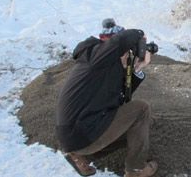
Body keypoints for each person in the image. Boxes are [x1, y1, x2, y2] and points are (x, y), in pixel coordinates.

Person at [55, 18, 158, 177]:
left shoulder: (102, 67)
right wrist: (140, 36)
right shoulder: (95, 56)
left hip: (74, 134)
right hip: (81, 131)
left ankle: (81, 157)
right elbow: (121, 40)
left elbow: (122, 101)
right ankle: (135, 170)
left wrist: (137, 68)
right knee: (142, 109)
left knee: (137, 124)